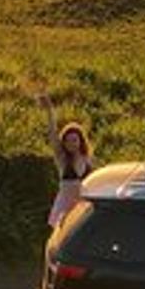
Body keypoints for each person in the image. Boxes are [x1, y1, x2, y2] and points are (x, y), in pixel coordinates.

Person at [39, 91, 93, 228]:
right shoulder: (62, 160)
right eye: (68, 141)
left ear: (81, 141)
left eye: (74, 140)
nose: (71, 144)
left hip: (82, 208)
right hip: (64, 210)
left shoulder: (87, 160)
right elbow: (52, 133)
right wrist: (50, 111)